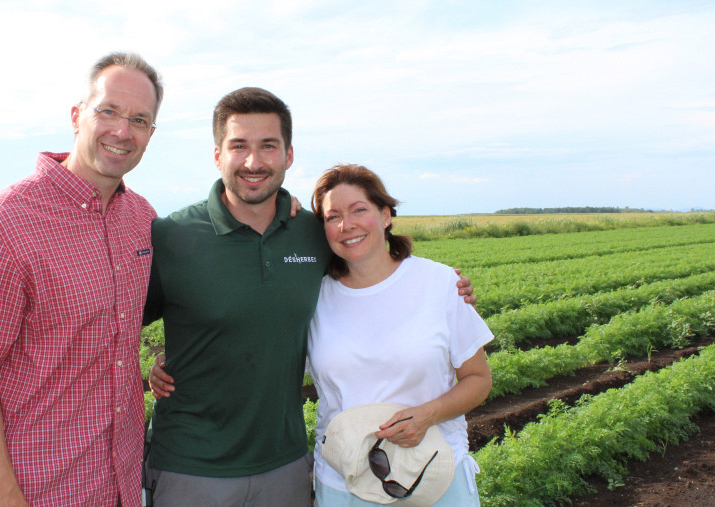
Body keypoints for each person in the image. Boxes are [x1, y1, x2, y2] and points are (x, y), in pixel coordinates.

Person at [143, 87, 477, 507]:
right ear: (217, 155)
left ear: (288, 155)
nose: (254, 161)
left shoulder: (312, 233)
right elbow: (118, 321)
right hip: (191, 467)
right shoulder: (173, 235)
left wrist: (447, 286)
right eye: (238, 146)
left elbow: (370, 262)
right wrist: (165, 362)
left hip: (284, 466)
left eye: (268, 146)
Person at [0, 51, 163, 507]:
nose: (123, 131)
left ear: (150, 134)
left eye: (139, 119)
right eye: (108, 111)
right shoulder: (2, 226)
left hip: (118, 484)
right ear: (77, 116)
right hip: (37, 490)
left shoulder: (142, 219)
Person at [308, 164, 493, 506]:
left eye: (359, 210)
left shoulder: (439, 284)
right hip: (344, 481)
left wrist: (429, 414)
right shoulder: (312, 298)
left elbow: (478, 378)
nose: (346, 225)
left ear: (386, 215)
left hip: (434, 477)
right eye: (332, 217)